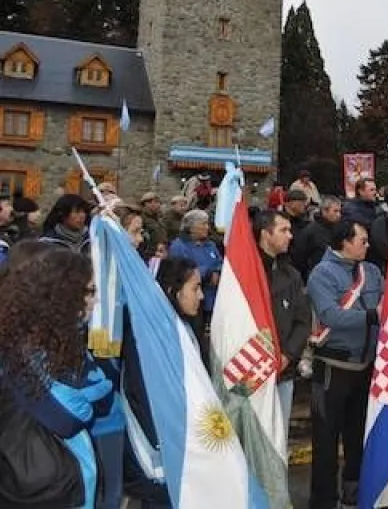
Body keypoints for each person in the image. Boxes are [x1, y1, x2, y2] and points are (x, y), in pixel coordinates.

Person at [0, 245, 116, 509]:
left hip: (55, 478)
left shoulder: (54, 341)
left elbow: (100, 395)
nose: (95, 300)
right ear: (62, 294)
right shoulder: (24, 352)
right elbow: (69, 417)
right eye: (89, 291)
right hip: (42, 485)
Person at [307, 220, 384, 509]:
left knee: (358, 437)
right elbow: (330, 316)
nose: (367, 245)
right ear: (344, 242)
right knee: (326, 440)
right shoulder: (322, 274)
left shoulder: (373, 271)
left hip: (365, 367)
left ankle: (354, 495)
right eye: (362, 240)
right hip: (333, 367)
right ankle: (324, 501)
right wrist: (371, 317)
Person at [122, 257, 206, 508]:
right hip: (160, 442)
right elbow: (140, 392)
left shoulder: (183, 327)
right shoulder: (148, 335)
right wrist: (165, 438)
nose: (201, 296)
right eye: (195, 288)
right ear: (172, 291)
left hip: (183, 438)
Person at [253, 210, 312, 443]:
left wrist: (287, 355)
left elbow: (302, 320)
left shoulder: (291, 275)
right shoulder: (246, 273)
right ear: (266, 234)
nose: (290, 236)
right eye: (283, 230)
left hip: (282, 373)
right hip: (251, 373)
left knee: (278, 439)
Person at [168, 210, 222, 323]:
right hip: (193, 305)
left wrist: (218, 271)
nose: (207, 227)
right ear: (191, 227)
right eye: (203, 224)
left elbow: (219, 262)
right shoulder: (179, 246)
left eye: (207, 224)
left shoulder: (210, 245)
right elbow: (180, 272)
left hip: (215, 301)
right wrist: (207, 273)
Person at [294, 196, 342, 281]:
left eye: (339, 211)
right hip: (317, 277)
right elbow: (299, 258)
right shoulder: (310, 231)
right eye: (335, 211)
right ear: (324, 211)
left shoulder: (339, 228)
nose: (338, 215)